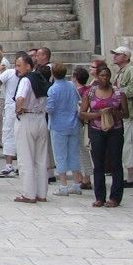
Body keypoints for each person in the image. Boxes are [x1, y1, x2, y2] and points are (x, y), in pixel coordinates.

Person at [80, 64, 128, 207]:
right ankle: (99, 196)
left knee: (115, 162)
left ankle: (115, 197)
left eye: (107, 76)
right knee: (98, 163)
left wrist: (114, 113)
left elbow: (126, 113)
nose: (105, 78)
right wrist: (97, 114)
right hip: (96, 129)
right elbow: (82, 113)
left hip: (115, 129)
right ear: (97, 77)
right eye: (102, 76)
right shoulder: (90, 93)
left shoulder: (118, 93)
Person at [13, 51, 51, 203]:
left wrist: (18, 108)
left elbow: (21, 97)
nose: (17, 69)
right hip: (41, 117)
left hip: (27, 118)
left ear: (28, 66)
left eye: (19, 65)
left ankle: (28, 193)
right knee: (41, 158)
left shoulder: (25, 80)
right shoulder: (40, 77)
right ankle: (42, 193)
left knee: (25, 157)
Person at [47, 64, 81, 196]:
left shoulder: (53, 89)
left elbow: (50, 108)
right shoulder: (71, 85)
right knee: (73, 153)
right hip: (73, 123)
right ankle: (77, 184)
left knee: (60, 155)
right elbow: (78, 99)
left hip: (58, 125)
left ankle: (63, 185)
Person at [112, 46, 133, 186]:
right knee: (128, 144)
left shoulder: (131, 70)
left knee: (131, 144)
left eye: (118, 54)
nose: (115, 56)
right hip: (123, 115)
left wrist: (119, 92)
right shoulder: (121, 72)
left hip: (132, 114)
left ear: (126, 57)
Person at [0, 54, 21, 178]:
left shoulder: (9, 73)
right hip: (18, 108)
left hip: (12, 107)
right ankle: (19, 165)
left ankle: (9, 166)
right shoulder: (27, 76)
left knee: (9, 135)